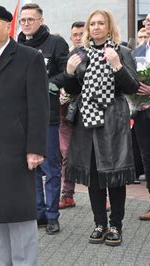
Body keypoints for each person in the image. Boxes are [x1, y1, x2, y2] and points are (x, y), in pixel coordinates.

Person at [0, 4, 49, 265]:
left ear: (7, 27)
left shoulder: (29, 57)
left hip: (16, 151)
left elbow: (39, 106)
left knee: (19, 216)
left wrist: (36, 148)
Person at [64, 9, 139, 246]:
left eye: (100, 23)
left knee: (115, 175)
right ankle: (100, 223)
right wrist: (68, 72)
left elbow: (132, 87)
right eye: (92, 24)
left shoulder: (122, 52)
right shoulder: (79, 54)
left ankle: (116, 225)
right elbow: (73, 90)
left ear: (109, 27)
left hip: (114, 120)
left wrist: (117, 66)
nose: (96, 27)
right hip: (87, 121)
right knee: (94, 174)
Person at [17, 3, 69, 234]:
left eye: (31, 19)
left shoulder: (55, 43)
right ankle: (37, 213)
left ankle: (52, 215)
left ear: (41, 20)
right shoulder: (16, 45)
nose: (26, 23)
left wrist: (50, 84)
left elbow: (68, 72)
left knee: (50, 167)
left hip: (47, 115)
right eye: (23, 19)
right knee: (31, 168)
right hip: (22, 117)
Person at [58, 21, 84, 209]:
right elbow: (58, 78)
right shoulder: (65, 57)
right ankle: (67, 195)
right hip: (66, 113)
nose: (78, 37)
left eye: (81, 33)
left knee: (94, 155)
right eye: (74, 34)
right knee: (66, 154)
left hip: (88, 113)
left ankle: (103, 195)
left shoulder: (95, 55)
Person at [132, 12, 150, 221]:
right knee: (148, 158)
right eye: (146, 20)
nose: (148, 23)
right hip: (142, 112)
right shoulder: (138, 52)